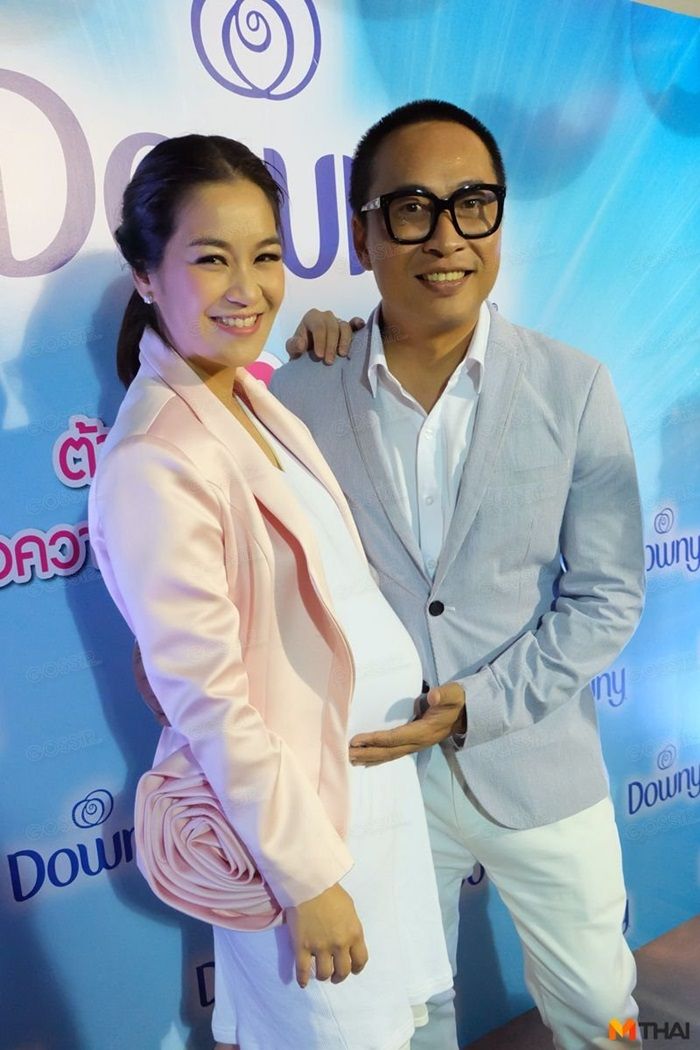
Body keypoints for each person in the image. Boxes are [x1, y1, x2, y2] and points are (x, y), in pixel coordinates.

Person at [266, 100, 646, 1050]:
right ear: (362, 234)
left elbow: (607, 595)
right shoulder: (301, 392)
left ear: (499, 220)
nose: (446, 237)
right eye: (411, 208)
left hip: (538, 763)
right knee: (414, 1020)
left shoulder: (574, 386)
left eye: (473, 203)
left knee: (602, 1010)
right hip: (379, 780)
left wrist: (481, 704)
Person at [88, 133, 452, 1050]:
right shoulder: (153, 457)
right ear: (145, 275)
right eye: (211, 259)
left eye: (265, 256)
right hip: (298, 832)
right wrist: (307, 877)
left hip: (364, 803)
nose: (247, 288)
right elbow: (207, 697)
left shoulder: (250, 400)